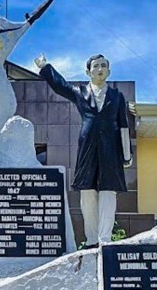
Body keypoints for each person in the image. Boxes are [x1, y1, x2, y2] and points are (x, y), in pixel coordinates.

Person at [34, 53, 133, 247]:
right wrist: (45, 67)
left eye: (104, 65)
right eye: (96, 66)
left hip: (111, 148)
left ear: (109, 71)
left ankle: (105, 239)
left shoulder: (117, 96)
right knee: (87, 191)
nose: (100, 69)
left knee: (108, 191)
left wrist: (126, 154)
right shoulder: (80, 92)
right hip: (87, 145)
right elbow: (60, 85)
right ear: (88, 71)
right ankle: (92, 239)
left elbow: (123, 125)